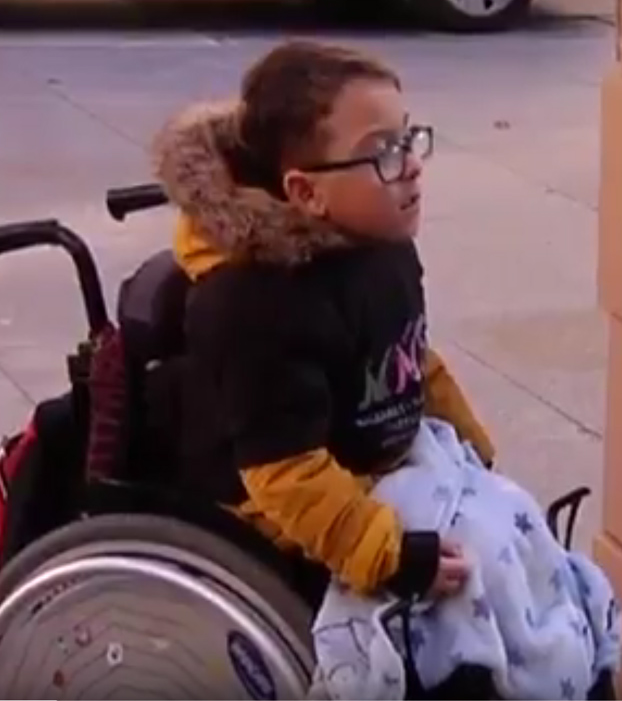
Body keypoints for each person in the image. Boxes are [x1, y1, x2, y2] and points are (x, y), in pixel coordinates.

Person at [149, 40, 495, 603]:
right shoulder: (253, 304)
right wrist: (389, 557)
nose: (409, 165)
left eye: (408, 138)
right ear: (306, 192)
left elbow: (408, 356)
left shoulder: (381, 244)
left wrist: (476, 450)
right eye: (382, 152)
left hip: (370, 463)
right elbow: (286, 476)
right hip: (284, 512)